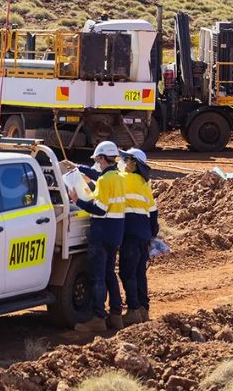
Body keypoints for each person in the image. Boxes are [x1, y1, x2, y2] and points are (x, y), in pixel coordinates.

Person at [68, 141, 127, 332]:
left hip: (101, 231)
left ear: (102, 158)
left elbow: (100, 210)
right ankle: (116, 315)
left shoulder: (104, 181)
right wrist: (79, 168)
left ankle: (98, 318)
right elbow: (100, 175)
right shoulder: (120, 177)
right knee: (110, 273)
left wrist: (78, 201)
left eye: (97, 160)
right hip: (116, 231)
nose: (97, 163)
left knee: (98, 276)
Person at [117, 147, 159, 326]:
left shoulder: (123, 179)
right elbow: (153, 212)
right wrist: (151, 236)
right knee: (140, 273)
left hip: (130, 233)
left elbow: (103, 180)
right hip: (144, 234)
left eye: (126, 160)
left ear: (134, 164)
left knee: (127, 272)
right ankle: (143, 309)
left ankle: (133, 310)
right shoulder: (143, 183)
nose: (123, 163)